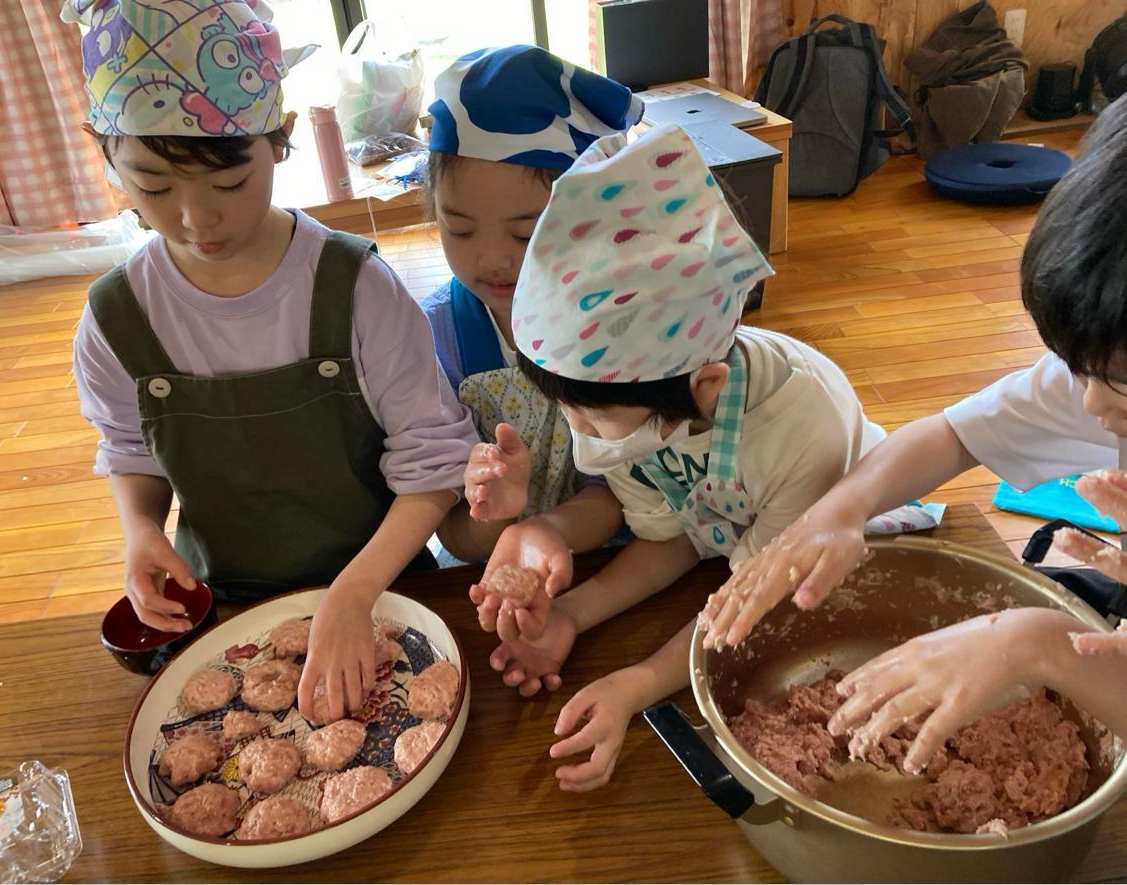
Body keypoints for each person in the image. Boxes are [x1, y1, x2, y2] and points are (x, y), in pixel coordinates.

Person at [64, 0, 478, 722]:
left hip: (385, 588)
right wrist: (141, 532)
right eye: (153, 187)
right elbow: (132, 447)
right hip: (228, 602)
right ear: (102, 152)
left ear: (279, 140)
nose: (197, 218)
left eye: (228, 183)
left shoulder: (354, 288)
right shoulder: (115, 317)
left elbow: (434, 461)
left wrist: (353, 595)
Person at [700, 94, 1127, 773]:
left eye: (1117, 385)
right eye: (1076, 367)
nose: (1089, 403)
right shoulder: (1102, 373)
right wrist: (839, 510)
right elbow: (949, 436)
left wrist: (1034, 642)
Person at [470, 124, 896, 790]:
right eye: (568, 411)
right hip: (735, 559)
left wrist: (638, 683)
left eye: (591, 416)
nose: (582, 435)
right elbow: (671, 536)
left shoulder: (801, 430)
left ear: (704, 387)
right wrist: (570, 613)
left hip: (824, 569)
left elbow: (751, 604)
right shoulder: (637, 396)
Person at [421, 46, 643, 579]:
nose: (492, 259)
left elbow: (623, 492)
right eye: (460, 228)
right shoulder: (433, 339)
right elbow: (452, 531)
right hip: (488, 574)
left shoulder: (629, 325)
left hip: (615, 564)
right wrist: (497, 512)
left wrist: (549, 530)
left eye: (527, 233)